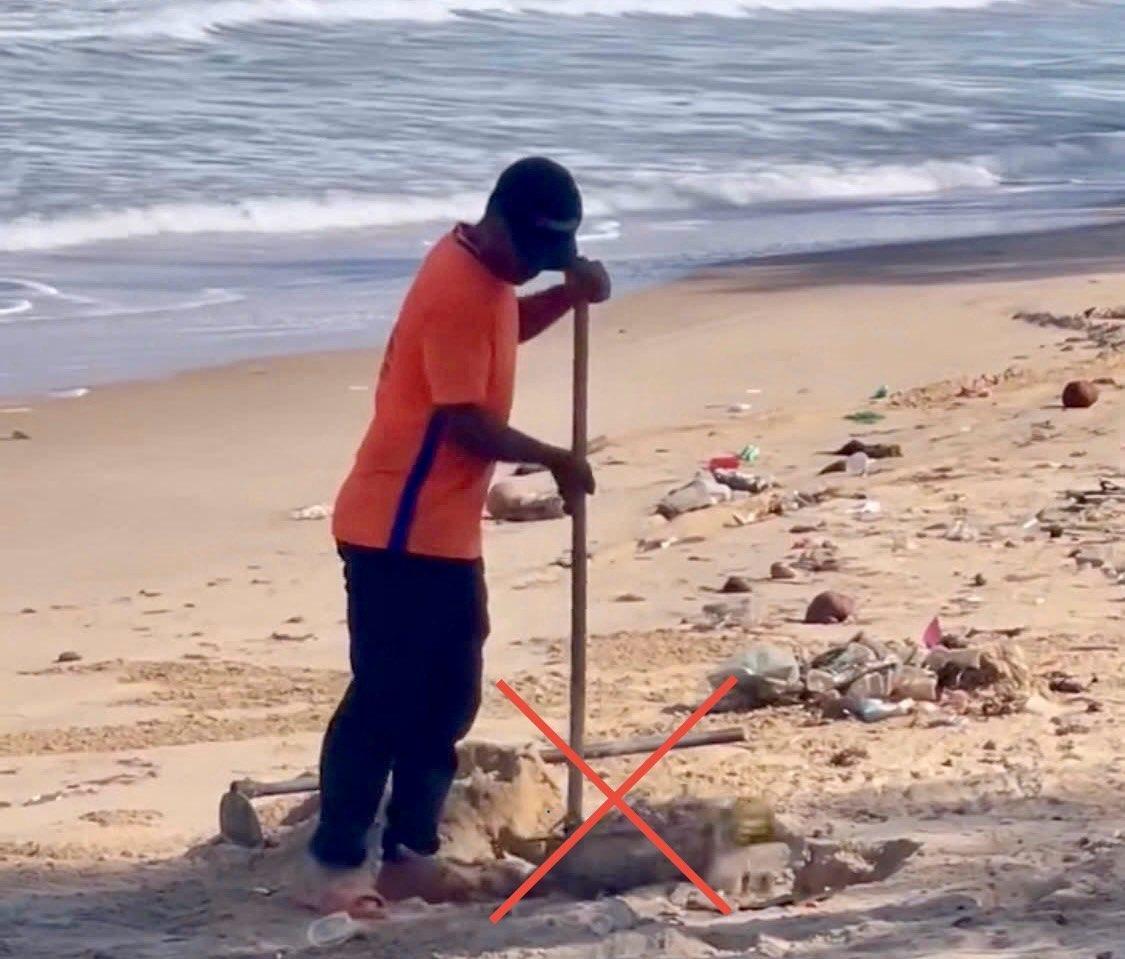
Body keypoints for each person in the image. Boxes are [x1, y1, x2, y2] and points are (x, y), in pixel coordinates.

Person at [295, 157, 612, 917]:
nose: (533, 268)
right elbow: (462, 422)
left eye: (549, 258)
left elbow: (504, 329)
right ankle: (335, 861)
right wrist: (555, 459)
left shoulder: (491, 278)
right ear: (498, 221)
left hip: (445, 531)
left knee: (446, 700)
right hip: (393, 529)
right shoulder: (454, 285)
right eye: (533, 253)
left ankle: (410, 853)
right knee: (384, 699)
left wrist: (563, 295)